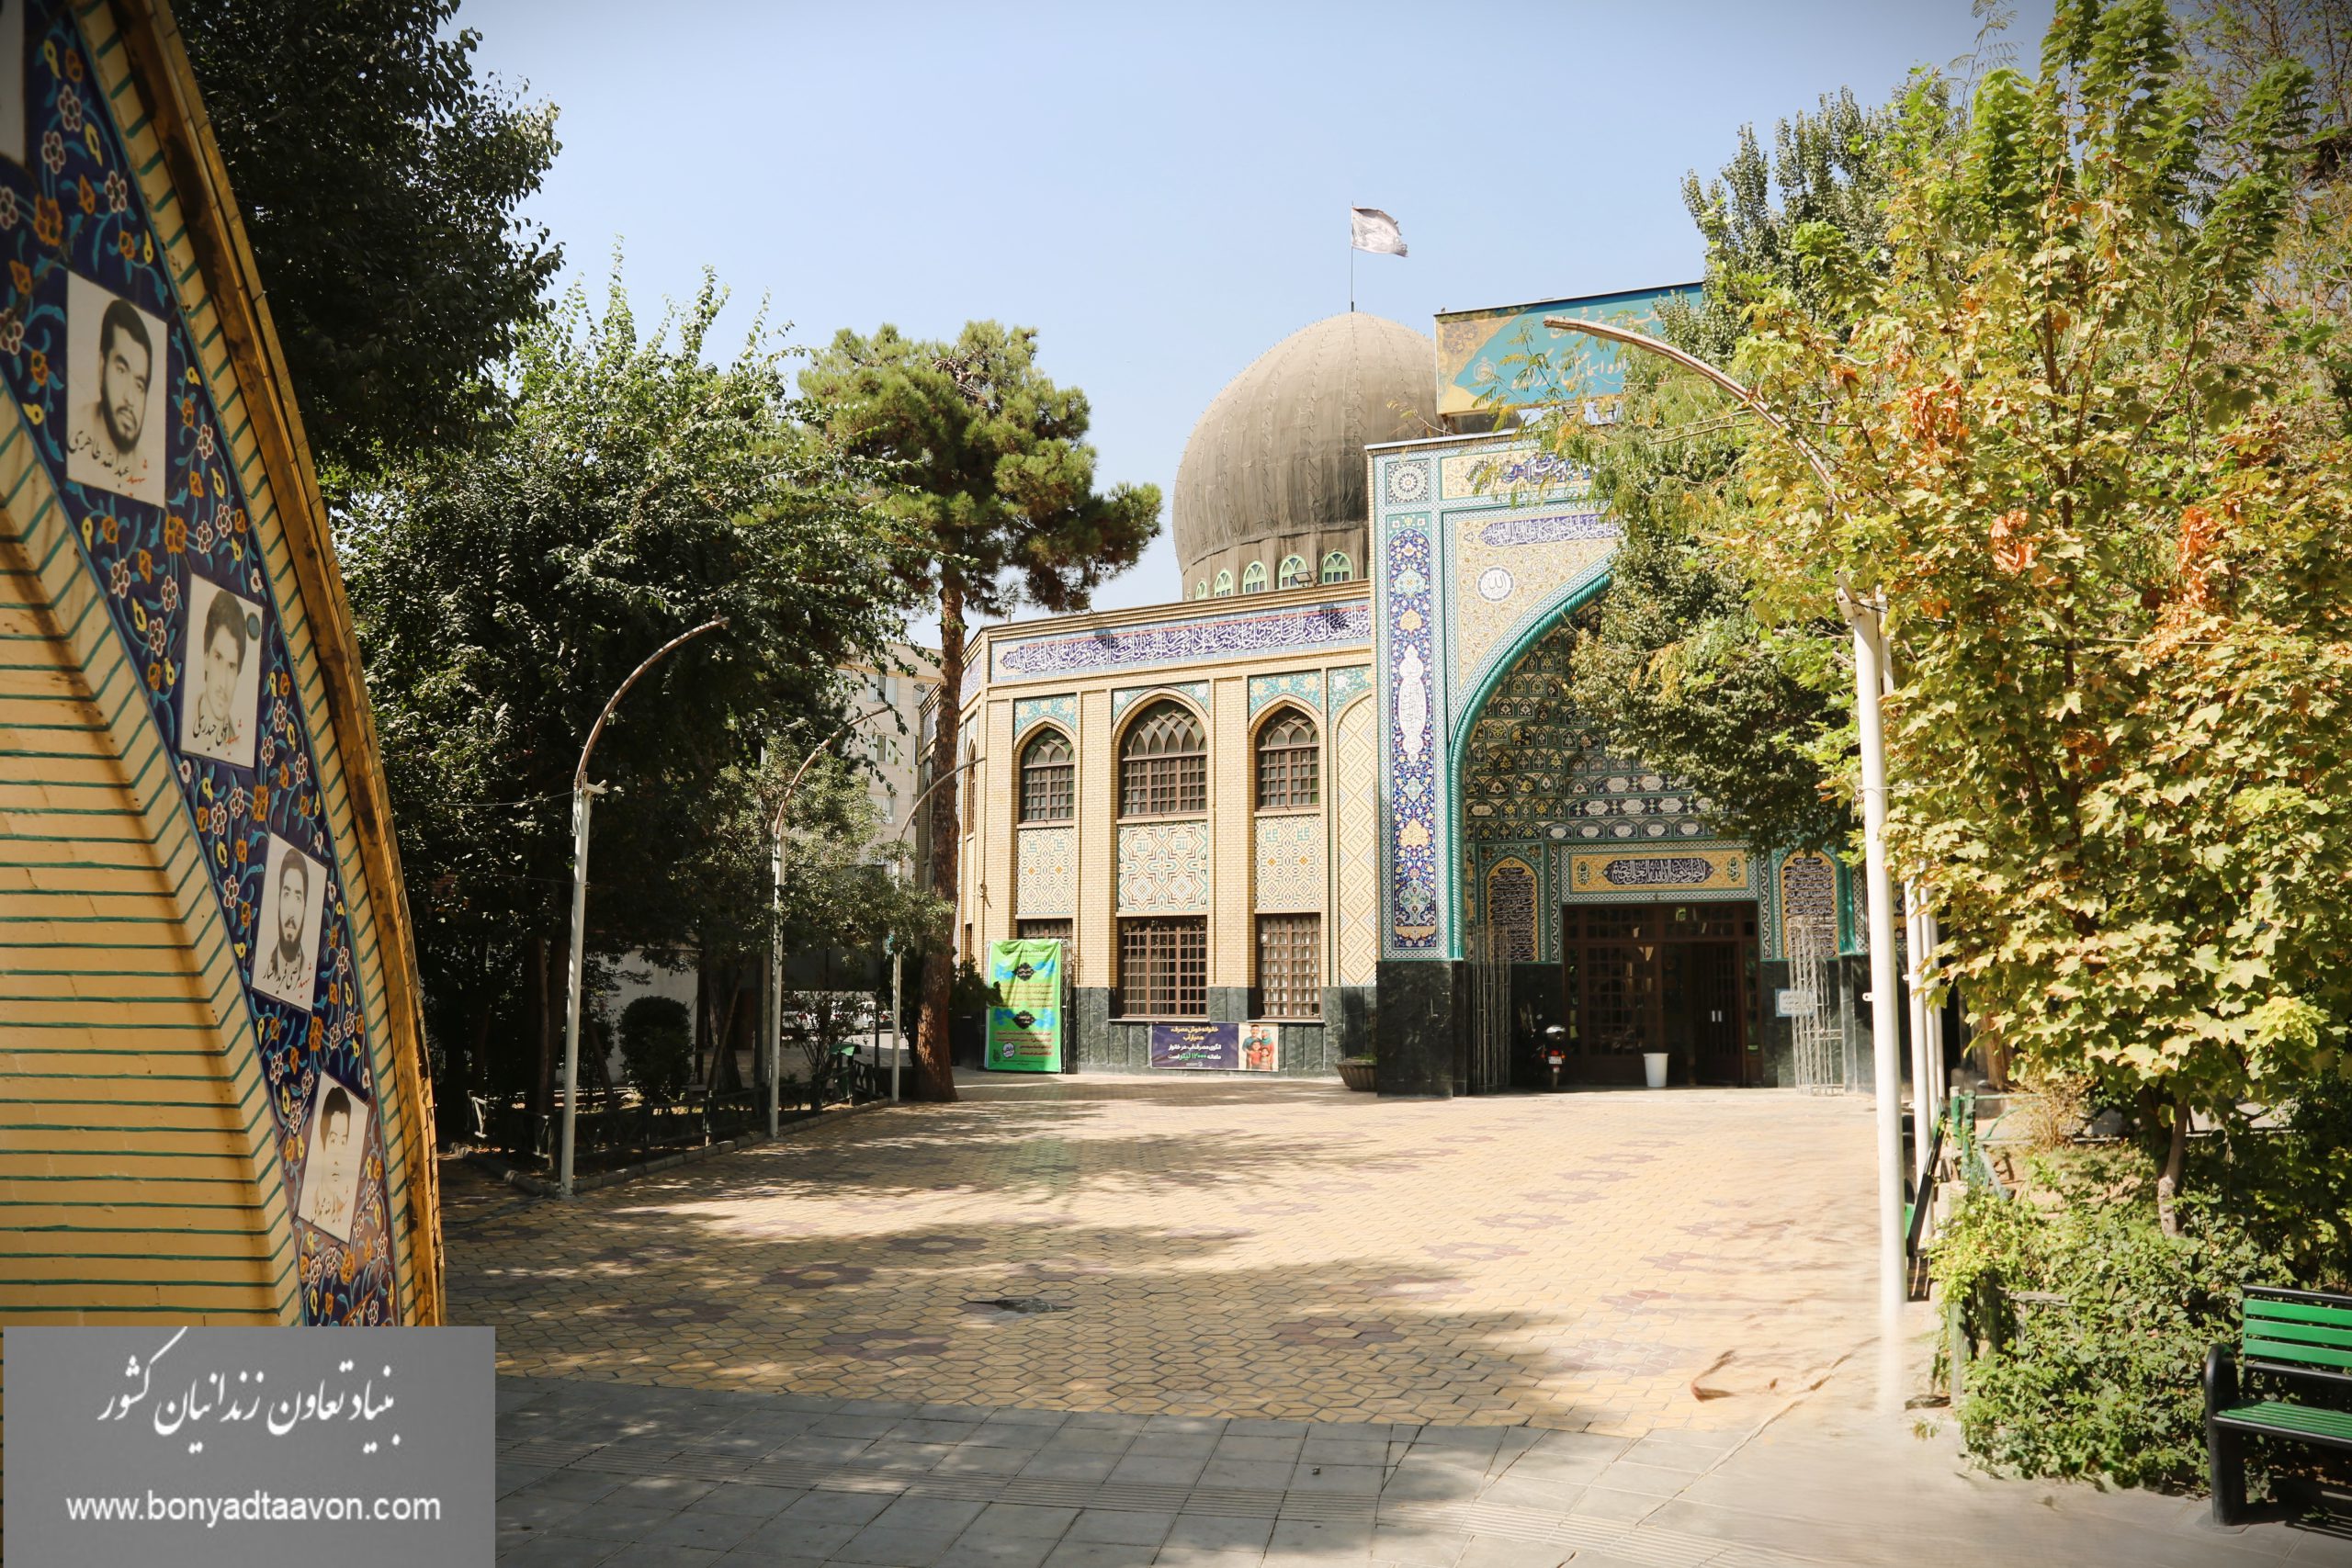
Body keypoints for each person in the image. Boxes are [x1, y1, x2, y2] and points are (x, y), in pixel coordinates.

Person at [70, 298, 154, 492]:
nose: (130, 399)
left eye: (139, 385)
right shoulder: (71, 430)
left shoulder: (146, 474)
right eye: (121, 371)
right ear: (102, 367)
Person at [186, 587, 247, 756]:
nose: (223, 684)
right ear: (206, 658)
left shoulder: (238, 750)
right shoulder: (182, 721)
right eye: (218, 658)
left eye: (232, 667)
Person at [259, 851, 311, 997]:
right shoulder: (265, 965)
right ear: (279, 901)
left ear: (305, 908)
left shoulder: (307, 971)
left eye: (298, 898)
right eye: (286, 895)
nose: (291, 913)